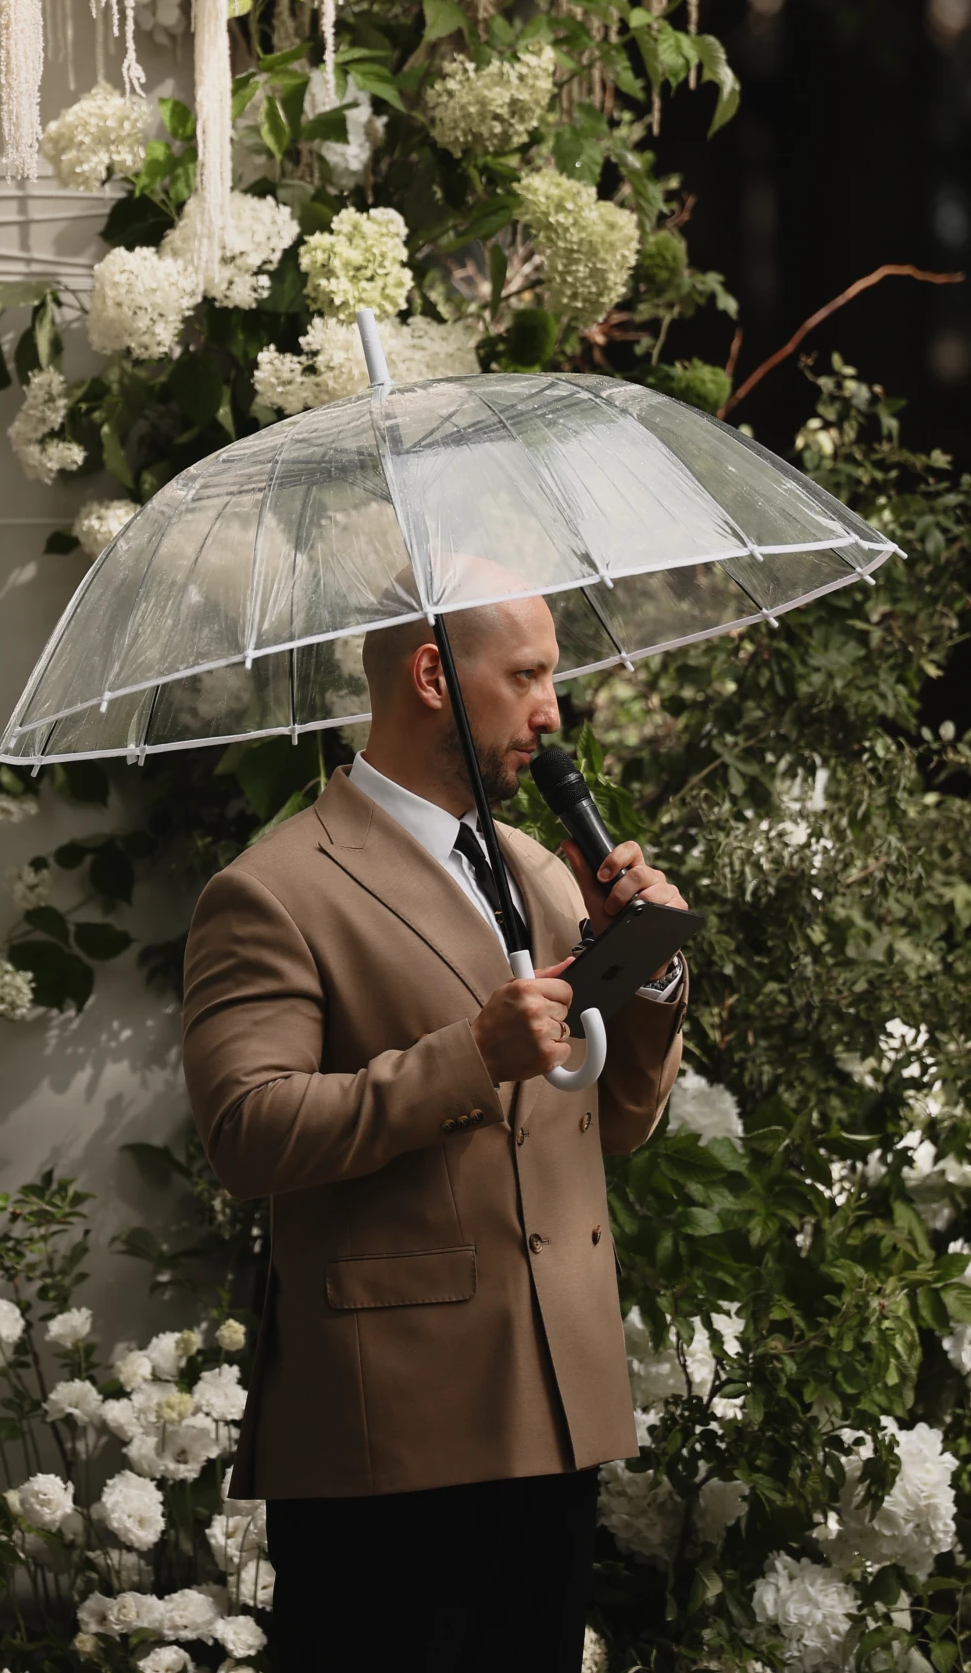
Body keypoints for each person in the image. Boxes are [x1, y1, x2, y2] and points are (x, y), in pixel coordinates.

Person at [180, 588, 689, 1673]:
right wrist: (468, 1056)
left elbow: (615, 1123)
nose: (552, 710)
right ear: (430, 678)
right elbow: (245, 1130)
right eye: (527, 675)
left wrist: (647, 973)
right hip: (389, 1433)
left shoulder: (543, 872)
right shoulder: (271, 890)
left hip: (560, 1412)